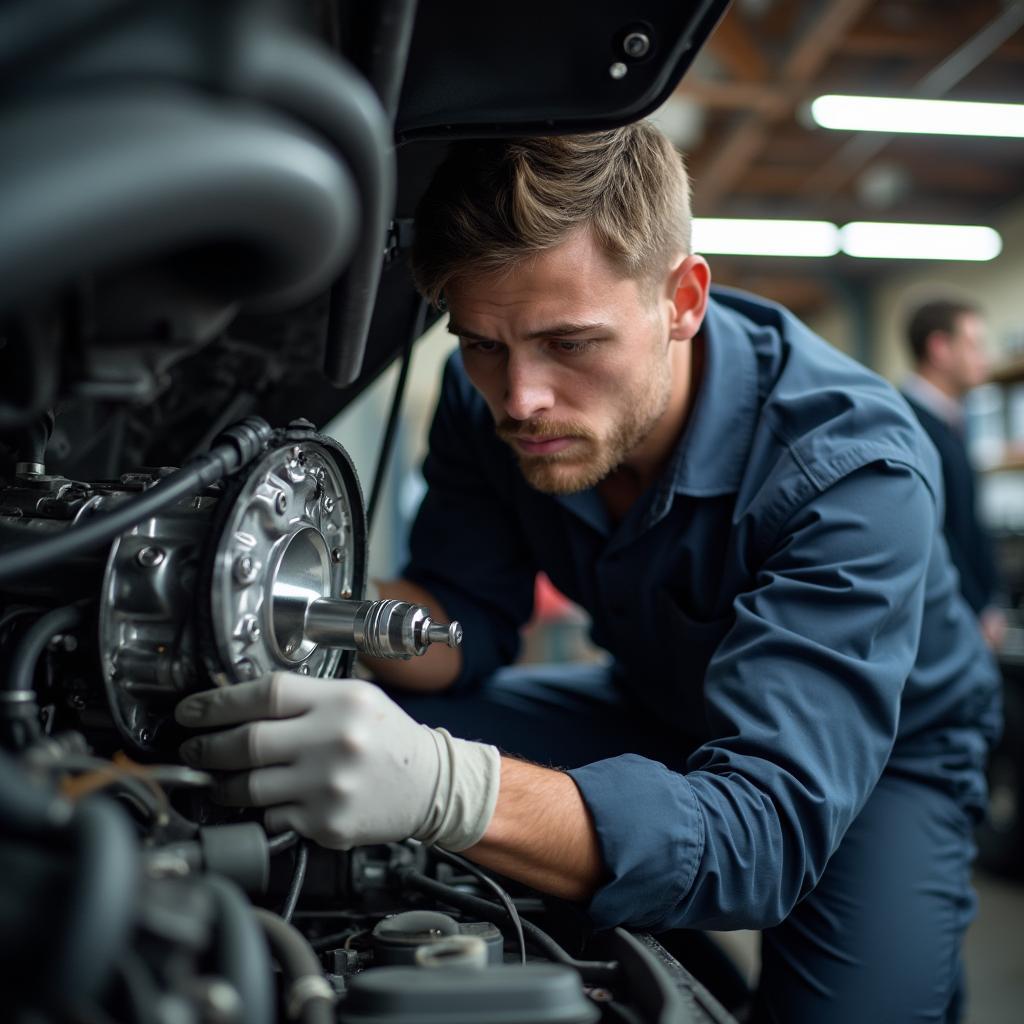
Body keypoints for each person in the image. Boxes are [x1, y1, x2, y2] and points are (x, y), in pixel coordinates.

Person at [175, 125, 1001, 1022]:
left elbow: (767, 833)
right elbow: (464, 622)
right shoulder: (478, 399)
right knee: (336, 742)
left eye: (569, 344)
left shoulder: (853, 469)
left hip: (863, 763)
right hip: (655, 704)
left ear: (682, 300)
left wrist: (450, 790)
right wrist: (307, 607)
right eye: (484, 344)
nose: (521, 399)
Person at [901, 300, 1005, 649]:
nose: (985, 359)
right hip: (946, 624)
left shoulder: (951, 423)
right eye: (974, 345)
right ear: (940, 349)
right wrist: (975, 608)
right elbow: (935, 531)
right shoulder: (906, 425)